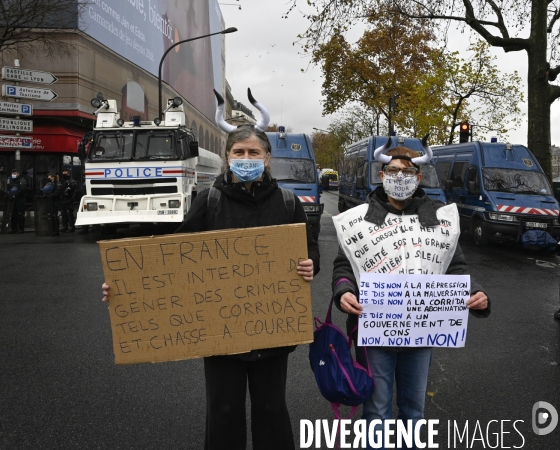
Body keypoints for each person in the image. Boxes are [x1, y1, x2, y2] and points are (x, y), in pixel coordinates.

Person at [102, 90, 320, 450]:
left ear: (267, 159)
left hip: (273, 330)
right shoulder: (210, 200)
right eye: (239, 152)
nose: (246, 158)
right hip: (220, 332)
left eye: (254, 152)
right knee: (223, 410)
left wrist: (309, 264)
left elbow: (308, 247)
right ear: (227, 157)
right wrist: (126, 285)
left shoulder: (287, 201)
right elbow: (173, 257)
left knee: (271, 407)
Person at [331, 138, 490, 450]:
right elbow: (343, 267)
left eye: (407, 172)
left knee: (414, 411)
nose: (399, 178)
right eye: (392, 171)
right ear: (381, 175)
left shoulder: (437, 217)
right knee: (376, 411)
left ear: (419, 178)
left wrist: (476, 292)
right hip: (375, 329)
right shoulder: (361, 218)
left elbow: (454, 267)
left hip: (422, 332)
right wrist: (344, 292)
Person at [7, 169, 29, 234]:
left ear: (18, 174)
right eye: (13, 173)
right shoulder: (10, 180)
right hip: (13, 200)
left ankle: (21, 228)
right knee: (13, 214)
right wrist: (10, 195)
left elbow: (22, 189)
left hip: (20, 199)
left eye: (15, 173)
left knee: (20, 214)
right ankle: (13, 228)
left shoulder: (22, 180)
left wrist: (15, 194)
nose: (13, 174)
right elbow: (8, 188)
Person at [59, 168, 78, 233]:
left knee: (69, 213)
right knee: (63, 213)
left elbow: (75, 191)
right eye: (63, 172)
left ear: (68, 173)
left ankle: (71, 227)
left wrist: (72, 199)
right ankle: (65, 227)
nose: (64, 173)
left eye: (65, 172)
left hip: (69, 199)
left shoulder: (71, 181)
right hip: (63, 199)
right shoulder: (62, 181)